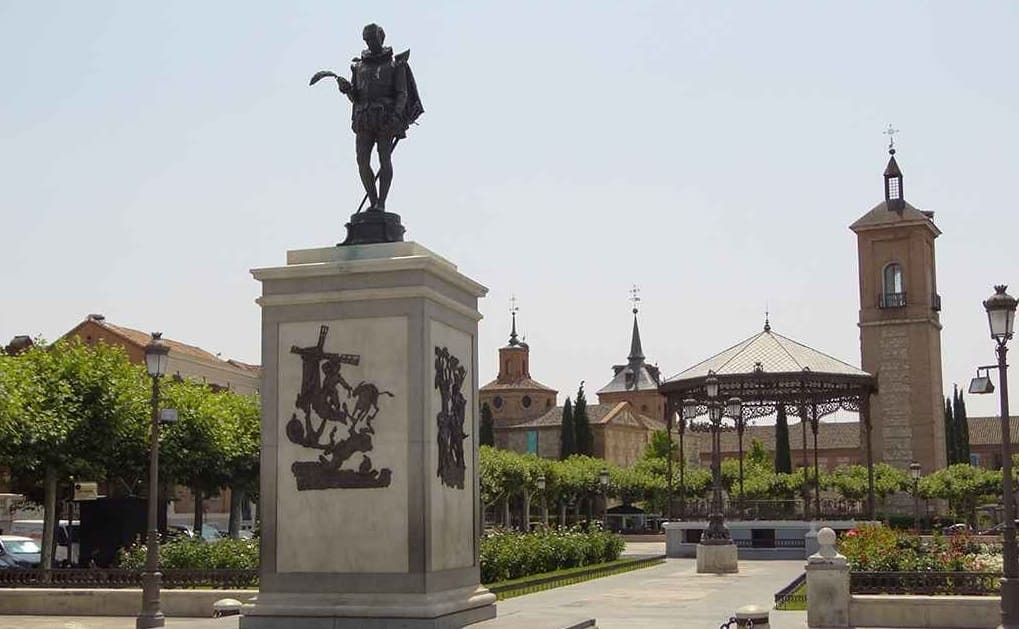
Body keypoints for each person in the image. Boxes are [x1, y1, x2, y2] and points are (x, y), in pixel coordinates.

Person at [337, 23, 423, 211]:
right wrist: (347, 90)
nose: (370, 42)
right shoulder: (359, 66)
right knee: (362, 161)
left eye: (373, 38)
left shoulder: (395, 64)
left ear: (381, 38)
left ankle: (381, 204)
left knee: (384, 158)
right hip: (364, 117)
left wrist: (396, 115)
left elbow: (402, 93)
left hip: (385, 117)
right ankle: (373, 201)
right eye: (366, 39)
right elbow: (356, 97)